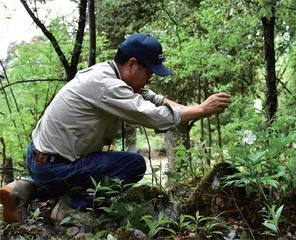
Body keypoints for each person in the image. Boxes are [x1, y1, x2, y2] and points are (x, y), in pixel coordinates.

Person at [0, 33, 231, 223]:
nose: (150, 78)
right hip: (55, 166)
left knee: (87, 167)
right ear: (132, 64)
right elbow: (151, 115)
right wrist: (202, 110)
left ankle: (22, 189)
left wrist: (194, 109)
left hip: (40, 158)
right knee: (132, 164)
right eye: (149, 71)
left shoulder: (108, 73)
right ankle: (68, 208)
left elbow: (156, 100)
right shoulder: (108, 86)